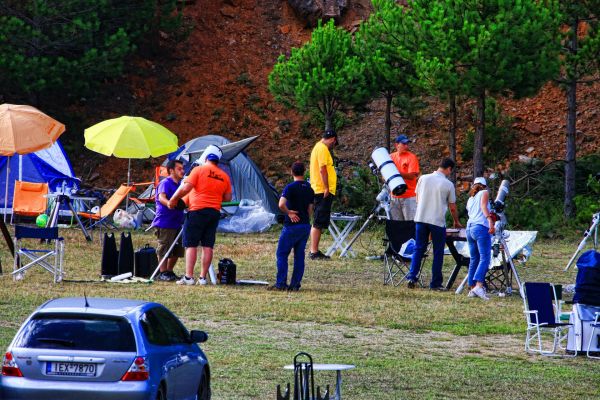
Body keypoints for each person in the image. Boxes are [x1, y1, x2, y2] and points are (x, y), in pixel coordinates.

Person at [168, 150, 232, 285]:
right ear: (217, 163)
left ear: (206, 160)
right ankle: (202, 278)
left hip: (197, 210)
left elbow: (186, 188)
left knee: (191, 244)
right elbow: (227, 197)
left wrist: (173, 199)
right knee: (208, 245)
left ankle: (189, 277)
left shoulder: (199, 170)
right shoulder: (224, 176)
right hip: (214, 212)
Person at [406, 158, 462, 290]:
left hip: (420, 218)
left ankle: (412, 277)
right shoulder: (448, 184)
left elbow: (418, 198)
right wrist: (456, 221)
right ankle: (435, 283)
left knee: (419, 248)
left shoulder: (423, 178)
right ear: (449, 169)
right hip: (436, 221)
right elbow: (452, 207)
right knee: (438, 252)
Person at [270, 162, 314, 291]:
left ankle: (281, 283)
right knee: (299, 255)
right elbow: (310, 209)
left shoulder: (290, 187)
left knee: (282, 254)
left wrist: (289, 212)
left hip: (291, 226)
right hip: (305, 226)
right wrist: (305, 218)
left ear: (292, 172)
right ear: (304, 172)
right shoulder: (309, 188)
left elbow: (281, 204)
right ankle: (295, 284)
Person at [153, 159, 186, 281]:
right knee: (164, 247)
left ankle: (169, 271)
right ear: (171, 170)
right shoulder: (165, 183)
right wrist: (168, 203)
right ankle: (163, 273)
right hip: (165, 221)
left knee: (178, 249)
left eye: (183, 168)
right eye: (179, 169)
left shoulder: (181, 185)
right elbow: (161, 197)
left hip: (178, 221)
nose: (182, 171)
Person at [308, 129, 338, 260]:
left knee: (319, 220)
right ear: (332, 139)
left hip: (320, 189)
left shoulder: (318, 147)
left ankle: (314, 250)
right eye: (334, 142)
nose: (333, 145)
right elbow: (323, 169)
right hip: (322, 190)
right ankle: (313, 251)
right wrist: (326, 187)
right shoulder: (322, 149)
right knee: (318, 221)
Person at [466, 177, 495, 300]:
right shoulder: (484, 192)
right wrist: (490, 220)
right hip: (480, 227)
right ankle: (479, 285)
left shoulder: (470, 198)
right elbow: (484, 207)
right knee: (485, 258)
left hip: (469, 228)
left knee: (474, 258)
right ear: (484, 186)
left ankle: (472, 288)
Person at [389, 134, 419, 221]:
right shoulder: (390, 157)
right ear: (396, 145)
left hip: (409, 197)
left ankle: (412, 235)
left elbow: (412, 176)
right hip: (394, 196)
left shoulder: (412, 157)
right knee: (397, 225)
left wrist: (396, 173)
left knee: (410, 224)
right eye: (404, 144)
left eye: (407, 144)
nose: (406, 146)